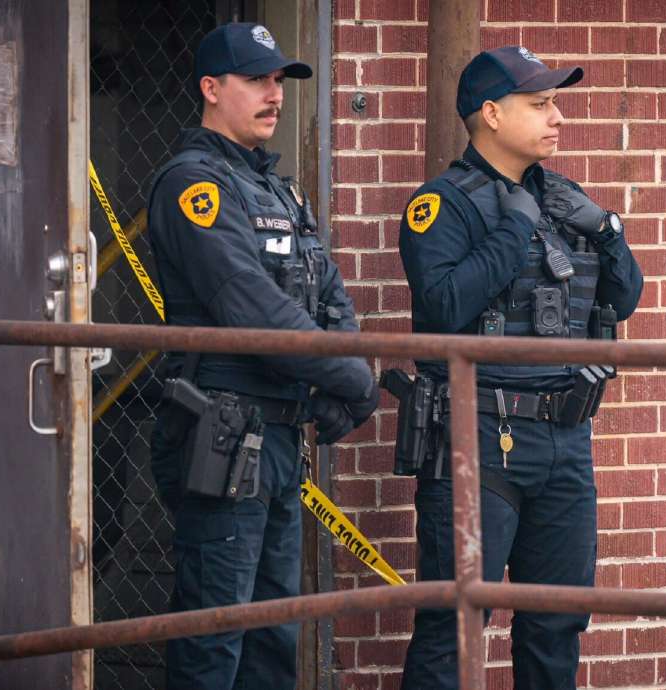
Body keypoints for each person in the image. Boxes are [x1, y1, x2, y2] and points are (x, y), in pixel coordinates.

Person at [396, 46, 644, 690]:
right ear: (491, 115)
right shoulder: (441, 205)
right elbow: (444, 304)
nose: (556, 117)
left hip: (566, 441)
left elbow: (624, 299)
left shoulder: (566, 197)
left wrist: (610, 230)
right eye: (540, 104)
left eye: (555, 102)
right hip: (480, 443)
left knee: (557, 625)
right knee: (453, 630)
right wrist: (514, 231)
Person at [145, 23, 378, 690]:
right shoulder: (194, 185)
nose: (274, 94)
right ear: (211, 89)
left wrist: (340, 383)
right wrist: (353, 378)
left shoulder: (280, 192)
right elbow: (248, 305)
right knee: (215, 631)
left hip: (277, 434)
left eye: (279, 80)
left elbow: (330, 294)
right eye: (257, 80)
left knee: (275, 634)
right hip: (222, 434)